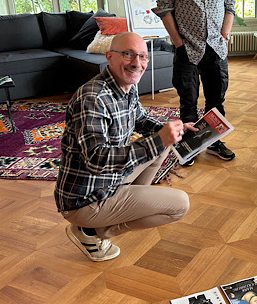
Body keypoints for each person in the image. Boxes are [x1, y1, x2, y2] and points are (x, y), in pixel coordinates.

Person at [54, 32, 194, 262]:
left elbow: (140, 119)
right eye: (128, 55)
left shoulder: (126, 85)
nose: (137, 64)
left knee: (163, 143)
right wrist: (159, 139)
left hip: (108, 182)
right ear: (109, 56)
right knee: (180, 205)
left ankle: (122, 203)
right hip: (86, 200)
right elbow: (97, 160)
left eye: (143, 57)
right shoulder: (93, 98)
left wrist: (174, 130)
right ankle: (92, 232)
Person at [153, 0, 236, 164]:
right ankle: (188, 147)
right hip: (186, 46)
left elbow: (230, 5)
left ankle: (214, 142)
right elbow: (164, 8)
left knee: (216, 101)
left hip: (216, 47)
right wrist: (178, 43)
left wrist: (224, 35)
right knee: (188, 101)